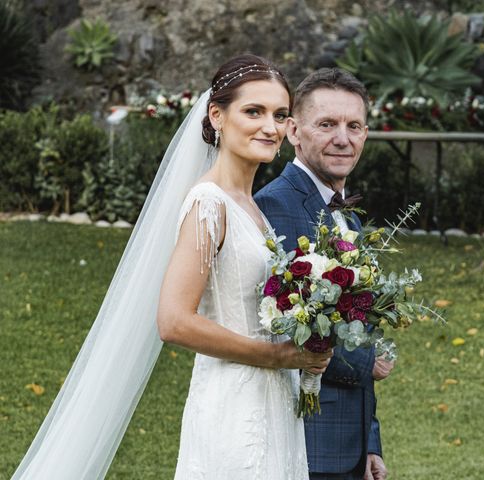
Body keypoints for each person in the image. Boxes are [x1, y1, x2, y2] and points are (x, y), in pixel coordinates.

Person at [11, 54, 330, 480]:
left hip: (273, 400)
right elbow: (174, 321)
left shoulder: (251, 208)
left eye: (280, 114)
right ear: (217, 115)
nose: (270, 127)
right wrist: (276, 356)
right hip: (234, 405)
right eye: (253, 111)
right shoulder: (209, 204)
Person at [255, 68, 394, 480]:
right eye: (327, 124)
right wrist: (366, 361)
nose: (342, 138)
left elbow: (354, 324)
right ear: (294, 131)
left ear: (366, 134)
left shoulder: (344, 212)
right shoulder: (276, 205)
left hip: (347, 442)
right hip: (306, 439)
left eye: (354, 126)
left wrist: (369, 443)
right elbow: (280, 326)